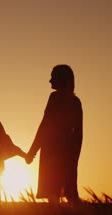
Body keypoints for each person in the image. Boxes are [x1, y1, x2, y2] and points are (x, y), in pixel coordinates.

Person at [26, 64, 83, 205]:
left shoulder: (55, 97)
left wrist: (32, 151)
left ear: (61, 79)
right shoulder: (76, 102)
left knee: (53, 194)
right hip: (68, 153)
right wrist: (74, 157)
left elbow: (45, 125)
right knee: (70, 192)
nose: (50, 81)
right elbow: (79, 134)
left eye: (53, 77)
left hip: (52, 152)